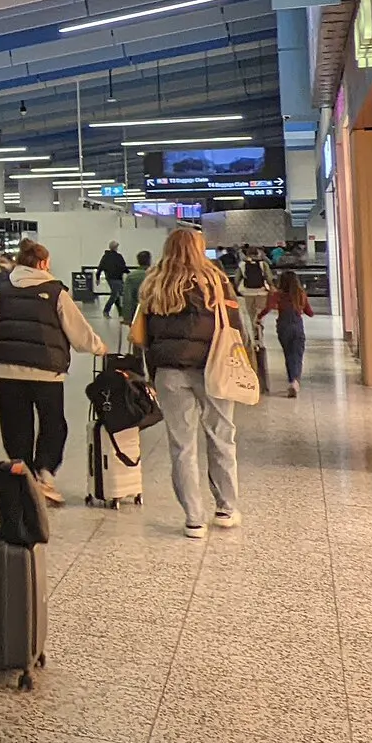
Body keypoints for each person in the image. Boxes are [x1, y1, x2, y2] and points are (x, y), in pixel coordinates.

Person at [132, 228, 243, 538]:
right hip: (213, 368)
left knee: (182, 446)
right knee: (221, 437)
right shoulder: (216, 280)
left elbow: (144, 336)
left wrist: (152, 373)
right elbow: (234, 325)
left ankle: (194, 518)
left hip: (169, 371)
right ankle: (226, 508)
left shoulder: (155, 282)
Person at [0, 240, 108, 506]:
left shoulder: (3, 290)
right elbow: (77, 329)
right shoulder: (55, 291)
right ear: (42, 263)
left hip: (8, 371)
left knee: (15, 425)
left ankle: (23, 475)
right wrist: (98, 347)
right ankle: (45, 475)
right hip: (46, 371)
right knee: (53, 423)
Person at [266, 272, 314, 397]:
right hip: (297, 325)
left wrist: (259, 317)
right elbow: (310, 313)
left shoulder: (277, 294)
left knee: (288, 355)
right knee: (297, 355)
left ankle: (292, 380)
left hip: (283, 326)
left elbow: (269, 307)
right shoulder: (300, 294)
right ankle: (295, 381)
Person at [235, 246, 272, 347]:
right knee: (260, 313)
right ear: (257, 253)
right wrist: (271, 287)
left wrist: (237, 289)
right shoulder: (263, 264)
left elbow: (237, 279)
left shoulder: (242, 264)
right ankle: (260, 329)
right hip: (262, 292)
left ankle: (254, 334)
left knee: (251, 314)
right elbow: (269, 277)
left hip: (248, 292)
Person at [119, 250, 154, 327]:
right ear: (149, 261)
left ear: (138, 261)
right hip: (153, 313)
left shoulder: (131, 276)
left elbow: (127, 298)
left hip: (136, 313)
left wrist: (127, 317)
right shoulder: (156, 275)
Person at [98, 241, 130, 317]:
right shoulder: (118, 257)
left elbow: (100, 267)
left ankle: (120, 311)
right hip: (117, 278)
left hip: (110, 278)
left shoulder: (106, 256)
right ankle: (107, 310)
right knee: (116, 294)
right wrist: (129, 273)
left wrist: (97, 277)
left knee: (117, 294)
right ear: (116, 247)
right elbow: (123, 267)